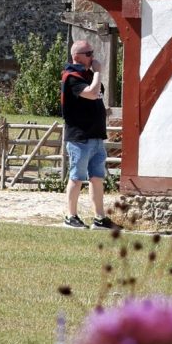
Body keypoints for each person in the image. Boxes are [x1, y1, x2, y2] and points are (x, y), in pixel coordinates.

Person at [62, 39, 116, 231]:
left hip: (95, 136)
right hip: (80, 137)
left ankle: (99, 218)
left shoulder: (87, 75)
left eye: (92, 53)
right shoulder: (72, 77)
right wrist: (99, 71)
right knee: (77, 177)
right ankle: (70, 216)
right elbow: (92, 93)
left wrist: (94, 74)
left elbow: (98, 92)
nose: (92, 57)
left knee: (97, 178)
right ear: (77, 56)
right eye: (89, 54)